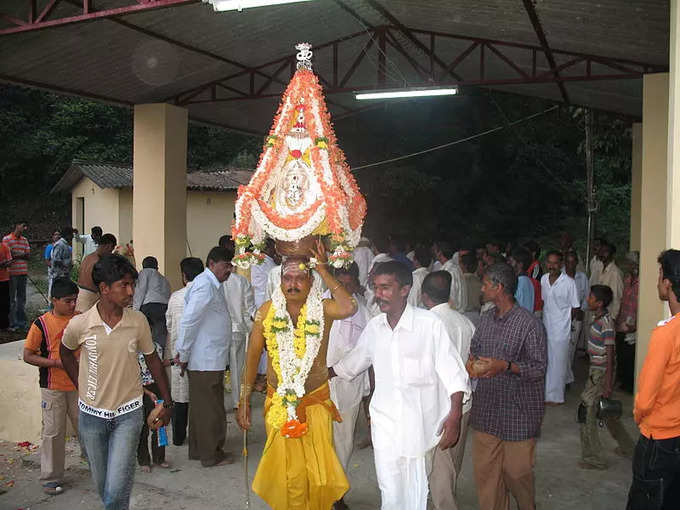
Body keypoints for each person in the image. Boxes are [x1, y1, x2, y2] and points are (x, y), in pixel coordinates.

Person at [331, 261, 470, 510]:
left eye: (386, 287)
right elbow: (350, 365)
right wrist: (318, 374)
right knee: (391, 492)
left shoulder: (429, 325)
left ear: (405, 289)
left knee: (416, 493)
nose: (379, 294)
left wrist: (455, 417)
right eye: (375, 287)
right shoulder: (375, 328)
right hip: (385, 427)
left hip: (421, 428)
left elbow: (454, 375)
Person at [237, 241, 357, 509]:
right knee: (285, 474)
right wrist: (244, 400)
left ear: (311, 282)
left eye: (300, 277)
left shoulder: (323, 309)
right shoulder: (267, 312)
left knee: (316, 474)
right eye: (287, 278)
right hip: (278, 404)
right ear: (279, 281)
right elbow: (252, 357)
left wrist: (324, 270)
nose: (293, 283)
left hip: (314, 403)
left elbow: (349, 307)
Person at [59, 254, 172, 510]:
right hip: (91, 416)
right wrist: (81, 384)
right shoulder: (81, 324)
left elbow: (153, 360)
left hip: (128, 415)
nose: (131, 291)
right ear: (104, 289)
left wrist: (167, 402)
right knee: (105, 488)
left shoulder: (137, 321)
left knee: (117, 488)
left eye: (132, 284)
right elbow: (65, 352)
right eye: (125, 285)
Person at [467, 262, 547, 510]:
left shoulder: (529, 324)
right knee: (486, 475)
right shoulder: (485, 320)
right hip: (487, 410)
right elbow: (474, 350)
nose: (482, 288)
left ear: (498, 288)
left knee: (517, 474)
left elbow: (538, 368)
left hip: (518, 412)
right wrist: (472, 364)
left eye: (486, 284)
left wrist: (506, 366)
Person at [627, 249, 680, 509]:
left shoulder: (666, 335)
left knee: (647, 499)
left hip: (658, 438)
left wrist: (639, 416)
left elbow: (645, 397)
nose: (658, 281)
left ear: (668, 283)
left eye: (660, 275)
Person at [422, 271, 475, 510]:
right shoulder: (465, 322)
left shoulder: (426, 324)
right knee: (453, 460)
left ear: (424, 296)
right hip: (463, 404)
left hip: (440, 407)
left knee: (439, 468)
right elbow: (471, 362)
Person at [22, 278, 81, 495]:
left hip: (80, 384)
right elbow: (28, 355)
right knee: (54, 432)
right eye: (68, 301)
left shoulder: (80, 319)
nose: (73, 305)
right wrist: (56, 363)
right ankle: (51, 477)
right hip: (52, 385)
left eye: (75, 300)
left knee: (86, 427)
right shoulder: (41, 324)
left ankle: (98, 465)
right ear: (54, 300)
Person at [175, 246, 232, 467]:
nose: (229, 270)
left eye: (230, 265)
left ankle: (200, 451)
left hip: (210, 357)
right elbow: (189, 320)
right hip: (205, 358)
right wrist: (183, 352)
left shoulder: (211, 284)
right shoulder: (205, 285)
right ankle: (211, 454)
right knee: (210, 409)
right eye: (225, 266)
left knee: (202, 407)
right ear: (211, 264)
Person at [325, 262, 370, 510]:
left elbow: (365, 354)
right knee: (317, 441)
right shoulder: (316, 305)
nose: (344, 288)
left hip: (347, 387)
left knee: (343, 443)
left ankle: (337, 495)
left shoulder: (364, 312)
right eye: (339, 283)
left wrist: (334, 371)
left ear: (355, 281)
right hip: (316, 387)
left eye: (349, 283)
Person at [578, 284, 634, 470]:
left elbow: (610, 355)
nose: (588, 299)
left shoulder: (606, 324)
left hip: (600, 373)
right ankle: (629, 448)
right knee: (607, 412)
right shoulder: (599, 319)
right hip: (597, 371)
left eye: (591, 298)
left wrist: (608, 383)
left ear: (600, 303)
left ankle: (594, 458)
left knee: (587, 412)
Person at [165, 257, 203, 446]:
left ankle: (179, 437)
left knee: (180, 396)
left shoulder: (176, 297)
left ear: (183, 275)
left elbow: (169, 324)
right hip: (203, 357)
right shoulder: (208, 295)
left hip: (179, 355)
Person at [541, 250, 580, 405]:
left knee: (559, 363)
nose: (552, 266)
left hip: (561, 331)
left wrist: (567, 323)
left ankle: (556, 397)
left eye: (555, 263)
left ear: (561, 264)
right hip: (546, 327)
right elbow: (544, 303)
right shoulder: (544, 279)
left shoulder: (569, 282)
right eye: (549, 263)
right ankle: (546, 394)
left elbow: (575, 307)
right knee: (547, 362)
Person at [222, 246, 256, 401]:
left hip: (218, 331)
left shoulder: (215, 281)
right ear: (233, 264)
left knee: (216, 368)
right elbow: (250, 309)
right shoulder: (242, 282)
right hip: (237, 329)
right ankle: (237, 401)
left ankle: (218, 403)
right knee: (237, 367)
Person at [136, 339, 169, 472]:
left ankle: (159, 458)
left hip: (157, 387)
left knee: (159, 424)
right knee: (142, 427)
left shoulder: (157, 347)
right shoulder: (130, 350)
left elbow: (161, 367)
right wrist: (147, 392)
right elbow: (130, 377)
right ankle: (143, 460)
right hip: (140, 389)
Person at [133, 256, 171, 349]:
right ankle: (159, 354)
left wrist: (135, 310)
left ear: (143, 266)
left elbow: (140, 291)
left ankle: (145, 353)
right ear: (157, 267)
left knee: (143, 332)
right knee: (160, 335)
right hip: (164, 308)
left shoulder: (144, 273)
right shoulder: (164, 279)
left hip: (149, 307)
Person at [615, 255, 639, 394]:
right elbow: (623, 300)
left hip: (633, 321)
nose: (629, 266)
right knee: (622, 352)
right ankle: (624, 381)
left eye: (632, 263)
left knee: (630, 354)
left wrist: (635, 324)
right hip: (623, 318)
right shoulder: (627, 279)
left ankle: (630, 384)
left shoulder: (641, 282)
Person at [564, 250, 588, 386]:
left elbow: (586, 296)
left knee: (571, 348)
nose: (570, 265)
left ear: (577, 263)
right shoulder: (559, 275)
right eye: (568, 262)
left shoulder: (582, 277)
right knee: (562, 348)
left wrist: (582, 310)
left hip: (576, 317)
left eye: (573, 262)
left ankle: (567, 377)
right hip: (562, 317)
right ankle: (565, 377)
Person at [75, 234, 117, 313]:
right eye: (111, 250)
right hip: (89, 297)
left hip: (80, 293)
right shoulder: (99, 261)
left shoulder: (87, 257)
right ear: (108, 246)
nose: (110, 252)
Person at [3, 221, 31, 331]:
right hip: (12, 273)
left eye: (26, 226)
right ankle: (12, 323)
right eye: (23, 226)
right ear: (17, 225)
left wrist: (16, 255)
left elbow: (28, 256)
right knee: (11, 299)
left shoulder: (24, 240)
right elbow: (7, 256)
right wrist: (21, 255)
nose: (24, 228)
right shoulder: (7, 239)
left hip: (23, 272)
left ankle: (22, 323)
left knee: (22, 298)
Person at [594, 241, 624, 321]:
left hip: (608, 317)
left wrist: (613, 318)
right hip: (598, 315)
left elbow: (617, 297)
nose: (602, 254)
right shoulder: (599, 269)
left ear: (612, 254)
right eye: (601, 251)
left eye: (605, 252)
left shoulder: (615, 273)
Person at [435, 241, 468, 313]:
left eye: (435, 250)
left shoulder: (449, 271)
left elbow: (451, 297)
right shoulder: (454, 267)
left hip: (452, 314)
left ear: (440, 253)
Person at [509, 247, 534, 313]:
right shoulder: (527, 281)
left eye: (511, 261)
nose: (509, 264)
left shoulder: (521, 282)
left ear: (520, 264)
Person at [461, 252, 482, 326]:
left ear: (464, 266)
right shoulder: (480, 283)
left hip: (462, 315)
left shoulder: (459, 282)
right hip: (477, 316)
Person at [45, 230, 60, 299]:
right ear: (52, 236)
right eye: (55, 234)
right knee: (52, 286)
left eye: (58, 234)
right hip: (53, 271)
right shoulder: (50, 247)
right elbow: (47, 260)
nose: (57, 236)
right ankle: (50, 304)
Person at [0, 240, 11, 331]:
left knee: (5, 303)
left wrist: (3, 264)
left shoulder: (4, 246)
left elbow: (9, 261)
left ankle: (5, 325)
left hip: (4, 279)